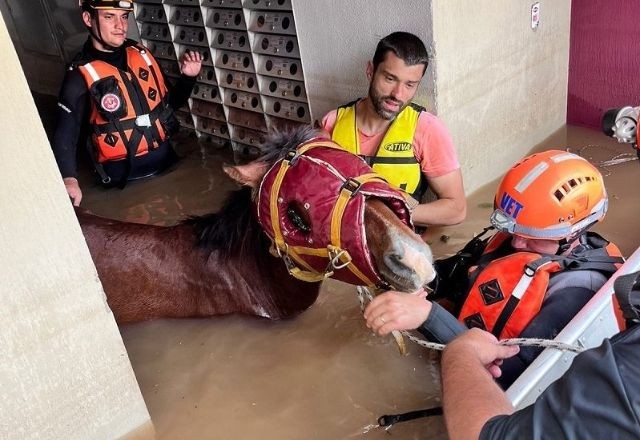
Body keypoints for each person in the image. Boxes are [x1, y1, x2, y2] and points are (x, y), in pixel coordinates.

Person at [364, 150, 624, 386]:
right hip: (461, 348)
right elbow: (451, 277)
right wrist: (411, 271)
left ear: (571, 233)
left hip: (485, 382)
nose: (516, 240)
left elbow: (510, 379)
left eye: (528, 233)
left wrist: (428, 316)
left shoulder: (579, 293)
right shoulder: (519, 239)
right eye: (512, 227)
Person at [441, 269, 640, 439]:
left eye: (530, 239)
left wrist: (460, 352)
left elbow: (487, 434)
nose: (519, 244)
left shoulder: (627, 375)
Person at [53, 0, 202, 206]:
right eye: (109, 17)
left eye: (123, 16)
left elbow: (170, 105)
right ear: (88, 19)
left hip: (170, 167)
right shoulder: (79, 76)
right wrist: (69, 180)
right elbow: (65, 135)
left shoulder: (141, 54)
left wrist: (188, 78)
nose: (120, 25)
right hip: (126, 187)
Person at [320, 32, 466, 228]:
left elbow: (456, 209)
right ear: (370, 71)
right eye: (390, 78)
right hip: (342, 245)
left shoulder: (427, 129)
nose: (398, 94)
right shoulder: (332, 123)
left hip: (397, 245)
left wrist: (391, 211)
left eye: (409, 85)